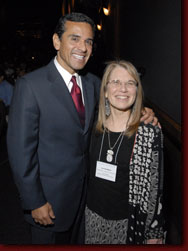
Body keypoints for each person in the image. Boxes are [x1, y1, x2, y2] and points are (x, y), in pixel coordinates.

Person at [7, 13, 157, 245]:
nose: (83, 47)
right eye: (74, 39)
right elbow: (20, 152)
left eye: (88, 41)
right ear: (57, 41)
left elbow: (119, 97)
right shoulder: (31, 86)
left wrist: (144, 112)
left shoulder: (93, 84)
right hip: (48, 204)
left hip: (85, 202)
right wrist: (34, 201)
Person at [85, 60, 165, 244]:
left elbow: (156, 189)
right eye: (116, 82)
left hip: (129, 224)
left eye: (130, 83)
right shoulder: (92, 127)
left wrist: (154, 233)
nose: (123, 89)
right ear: (105, 91)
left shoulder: (149, 132)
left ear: (137, 91)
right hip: (92, 218)